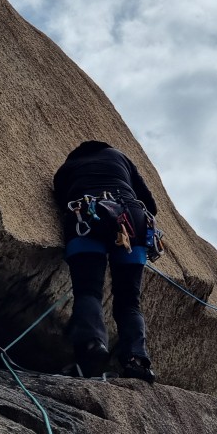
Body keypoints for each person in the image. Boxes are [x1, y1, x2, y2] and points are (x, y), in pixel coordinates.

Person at [53, 140, 158, 382]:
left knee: (88, 290)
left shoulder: (67, 168)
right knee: (129, 300)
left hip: (86, 215)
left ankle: (92, 345)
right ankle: (137, 360)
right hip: (133, 219)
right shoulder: (119, 156)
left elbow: (61, 198)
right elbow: (150, 204)